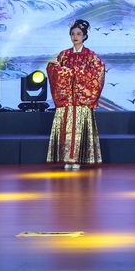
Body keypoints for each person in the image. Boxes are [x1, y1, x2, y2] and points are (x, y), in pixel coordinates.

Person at [46, 19, 105, 169]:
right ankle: (66, 158)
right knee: (65, 128)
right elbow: (53, 69)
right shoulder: (64, 55)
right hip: (66, 99)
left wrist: (76, 73)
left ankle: (78, 158)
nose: (75, 37)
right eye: (73, 34)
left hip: (81, 100)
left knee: (79, 129)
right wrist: (65, 73)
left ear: (84, 36)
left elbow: (98, 71)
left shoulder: (90, 55)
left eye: (79, 34)